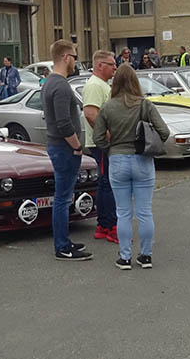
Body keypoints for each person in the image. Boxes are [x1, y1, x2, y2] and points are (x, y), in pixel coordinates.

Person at [95, 64, 170, 270]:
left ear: (115, 82)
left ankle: (125, 257)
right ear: (135, 82)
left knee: (123, 212)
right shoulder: (145, 105)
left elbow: (97, 137)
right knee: (145, 211)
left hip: (118, 160)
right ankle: (146, 256)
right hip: (142, 160)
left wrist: (110, 149)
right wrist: (148, 142)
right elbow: (164, 132)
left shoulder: (108, 107)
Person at [41, 39, 90, 261]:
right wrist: (77, 146)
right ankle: (62, 246)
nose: (76, 62)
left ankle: (64, 241)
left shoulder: (50, 82)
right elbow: (63, 123)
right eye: (75, 57)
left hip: (58, 147)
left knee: (63, 197)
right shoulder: (59, 85)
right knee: (62, 198)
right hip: (64, 148)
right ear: (66, 57)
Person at [82, 51, 119, 245]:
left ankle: (104, 225)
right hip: (102, 144)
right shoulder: (95, 85)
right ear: (100, 66)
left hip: (103, 143)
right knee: (108, 184)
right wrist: (108, 137)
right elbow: (90, 114)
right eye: (111, 64)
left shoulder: (102, 85)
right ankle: (109, 226)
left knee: (106, 183)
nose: (115, 67)